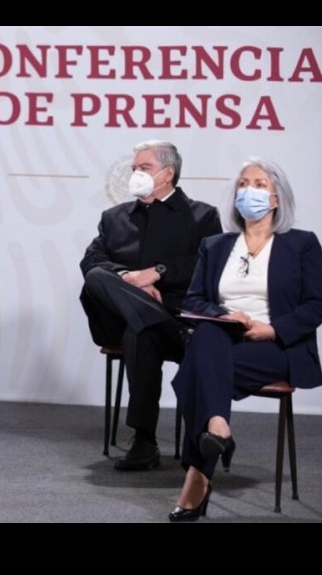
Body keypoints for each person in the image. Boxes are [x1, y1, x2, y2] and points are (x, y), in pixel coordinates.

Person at [168, 158, 322, 521]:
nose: (248, 191)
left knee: (195, 373)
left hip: (276, 347)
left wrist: (272, 329)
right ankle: (216, 427)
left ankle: (200, 471)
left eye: (258, 184)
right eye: (243, 184)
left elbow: (316, 305)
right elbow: (193, 300)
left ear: (276, 198)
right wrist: (225, 316)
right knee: (208, 332)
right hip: (223, 340)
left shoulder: (301, 244)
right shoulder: (215, 245)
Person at [79, 140, 222, 471]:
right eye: (134, 169)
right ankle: (145, 313)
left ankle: (144, 441)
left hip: (178, 320)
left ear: (168, 174)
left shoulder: (202, 216)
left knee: (140, 334)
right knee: (97, 276)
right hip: (120, 317)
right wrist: (130, 278)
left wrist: (158, 272)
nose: (136, 174)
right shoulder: (114, 218)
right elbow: (92, 261)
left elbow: (209, 267)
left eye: (144, 168)